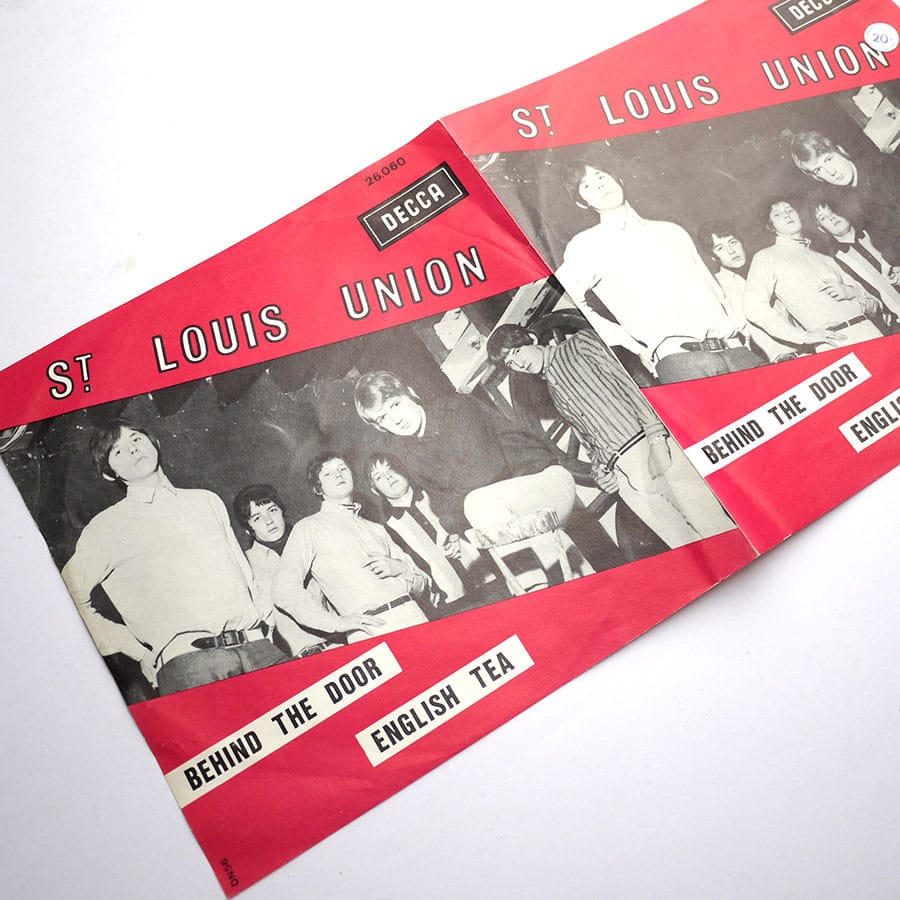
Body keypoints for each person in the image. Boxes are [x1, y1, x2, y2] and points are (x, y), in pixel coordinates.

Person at [61, 419, 287, 697]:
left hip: (259, 648)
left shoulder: (206, 501)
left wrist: (265, 619)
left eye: (136, 439)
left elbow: (243, 572)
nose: (132, 449)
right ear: (110, 473)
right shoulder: (106, 528)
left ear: (153, 442)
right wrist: (136, 650)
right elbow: (66, 595)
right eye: (117, 451)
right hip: (191, 665)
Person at [485, 324, 734, 549]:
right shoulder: (551, 388)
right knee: (685, 545)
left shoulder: (580, 344)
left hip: (646, 445)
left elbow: (629, 385)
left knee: (713, 525)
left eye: (517, 352)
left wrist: (657, 438)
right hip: (622, 477)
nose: (518, 364)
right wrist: (600, 474)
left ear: (531, 338)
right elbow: (587, 438)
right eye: (510, 364)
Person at [354, 371, 580, 591]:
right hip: (513, 512)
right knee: (562, 567)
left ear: (411, 393)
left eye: (395, 404)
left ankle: (535, 590)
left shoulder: (457, 408)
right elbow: (442, 503)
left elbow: (483, 472)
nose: (396, 419)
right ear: (380, 426)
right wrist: (453, 526)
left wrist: (449, 525)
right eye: (383, 418)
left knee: (477, 505)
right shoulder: (410, 455)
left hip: (545, 483)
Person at [555, 162, 764, 383]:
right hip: (682, 360)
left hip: (736, 349)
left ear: (618, 179)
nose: (599, 185)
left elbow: (710, 284)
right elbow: (565, 297)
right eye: (586, 185)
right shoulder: (587, 245)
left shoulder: (671, 230)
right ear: (582, 202)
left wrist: (738, 323)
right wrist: (630, 344)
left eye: (601, 176)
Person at [273, 453, 430, 642]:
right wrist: (335, 623)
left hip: (415, 616)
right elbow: (284, 591)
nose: (338, 475)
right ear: (317, 488)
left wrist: (401, 568)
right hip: (372, 630)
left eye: (342, 468)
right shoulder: (308, 528)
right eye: (328, 473)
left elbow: (423, 583)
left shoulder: (376, 528)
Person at [743, 199, 883, 352]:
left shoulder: (825, 258)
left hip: (871, 331)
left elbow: (875, 305)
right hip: (835, 343)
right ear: (771, 226)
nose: (787, 215)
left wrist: (853, 292)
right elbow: (753, 308)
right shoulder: (766, 257)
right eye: (777, 214)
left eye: (790, 210)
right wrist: (803, 337)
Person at [363, 452, 482, 607]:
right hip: (451, 603)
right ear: (374, 490)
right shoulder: (389, 529)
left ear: (402, 468)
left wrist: (454, 529)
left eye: (390, 468)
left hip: (490, 578)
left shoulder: (437, 492)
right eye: (379, 477)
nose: (388, 477)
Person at [232, 484, 336, 657]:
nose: (268, 521)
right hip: (293, 661)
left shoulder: (311, 543)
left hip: (337, 646)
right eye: (257, 518)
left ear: (282, 511)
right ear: (248, 529)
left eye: (272, 510)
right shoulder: (245, 564)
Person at [695, 223, 799, 363]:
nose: (731, 251)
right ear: (713, 257)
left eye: (733, 242)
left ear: (741, 242)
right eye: (720, 248)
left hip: (807, 348)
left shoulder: (764, 267)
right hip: (774, 361)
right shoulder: (717, 287)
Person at [790, 130, 900, 259]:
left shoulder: (883, 167)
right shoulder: (847, 199)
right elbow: (880, 239)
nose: (831, 172)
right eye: (818, 170)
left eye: (829, 159)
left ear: (840, 151)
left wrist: (890, 257)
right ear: (816, 177)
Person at [808, 197, 900, 329]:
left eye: (832, 211)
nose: (832, 218)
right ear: (821, 229)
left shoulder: (878, 231)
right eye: (823, 218)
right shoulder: (836, 262)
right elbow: (867, 304)